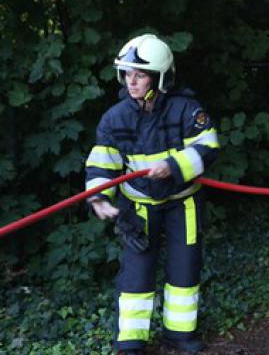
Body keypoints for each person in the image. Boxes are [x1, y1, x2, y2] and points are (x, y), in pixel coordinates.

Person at [84, 34, 219, 354]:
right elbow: (103, 162)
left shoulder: (187, 109)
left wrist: (173, 166)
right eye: (127, 74)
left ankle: (180, 334)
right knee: (137, 272)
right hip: (139, 206)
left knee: (185, 268)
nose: (131, 82)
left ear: (160, 77)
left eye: (140, 75)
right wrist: (98, 197)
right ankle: (131, 342)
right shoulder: (115, 118)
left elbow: (208, 146)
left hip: (183, 203)